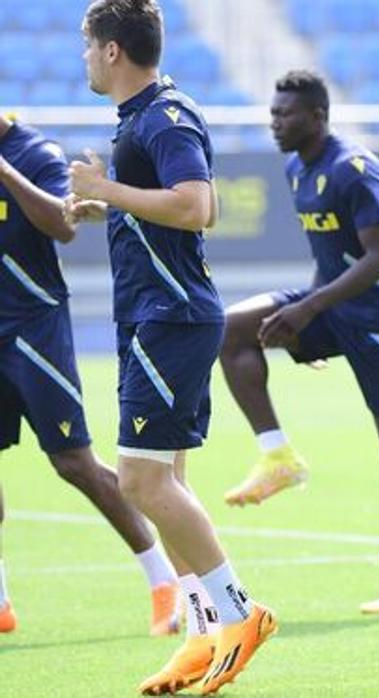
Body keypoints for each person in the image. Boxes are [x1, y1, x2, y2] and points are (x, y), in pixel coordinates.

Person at [65, 1, 274, 692]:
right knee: (167, 483)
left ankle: (240, 612)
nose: (85, 58)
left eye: (89, 46)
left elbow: (196, 205)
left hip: (171, 317)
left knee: (141, 482)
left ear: (115, 50)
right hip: (152, 316)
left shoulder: (166, 116)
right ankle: (200, 631)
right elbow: (160, 208)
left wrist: (106, 189)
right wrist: (107, 203)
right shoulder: (141, 119)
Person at [216, 70, 379, 614]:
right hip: (334, 309)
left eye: (284, 114)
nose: (274, 123)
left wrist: (309, 310)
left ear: (318, 117)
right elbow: (329, 258)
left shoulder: (353, 169)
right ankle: (278, 457)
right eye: (271, 113)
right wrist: (309, 327)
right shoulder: (296, 166)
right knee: (232, 328)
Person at [0, 112, 180, 636]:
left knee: (73, 462)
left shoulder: (37, 154)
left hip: (32, 329)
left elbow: (62, 224)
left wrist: (5, 174)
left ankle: (162, 580)